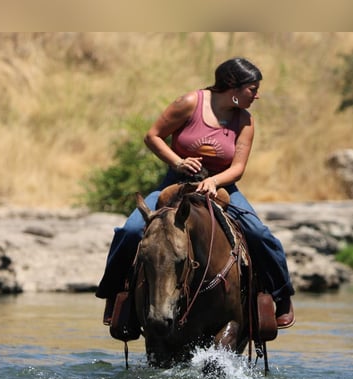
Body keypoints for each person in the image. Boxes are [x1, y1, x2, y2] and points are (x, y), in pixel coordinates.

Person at [95, 57, 295, 328]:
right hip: (176, 181)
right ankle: (115, 293)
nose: (256, 95)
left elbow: (238, 168)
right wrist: (177, 161)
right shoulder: (190, 103)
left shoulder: (245, 121)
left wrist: (215, 182)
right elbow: (152, 136)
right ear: (233, 88)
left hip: (223, 186)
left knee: (259, 234)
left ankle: (281, 296)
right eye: (252, 89)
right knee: (131, 231)